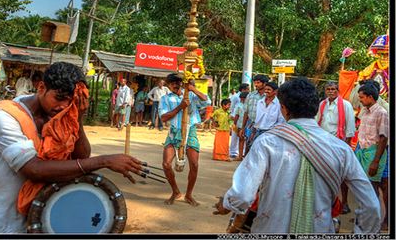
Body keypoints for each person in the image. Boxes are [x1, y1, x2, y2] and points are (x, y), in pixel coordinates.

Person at [0, 62, 144, 234]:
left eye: (70, 101)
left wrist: (77, 117)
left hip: (33, 220)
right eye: (59, 98)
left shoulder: (60, 118)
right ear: (41, 87)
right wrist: (104, 160)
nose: (64, 106)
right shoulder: (5, 118)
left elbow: (81, 156)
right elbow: (34, 169)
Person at [213, 77, 381, 234]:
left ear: (284, 109)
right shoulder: (340, 149)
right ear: (316, 108)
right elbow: (371, 206)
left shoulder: (267, 142)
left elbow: (242, 195)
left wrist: (226, 204)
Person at [159, 73, 211, 206]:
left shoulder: (191, 95)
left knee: (194, 164)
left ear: (182, 83)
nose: (175, 85)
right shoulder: (165, 98)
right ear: (169, 85)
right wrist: (180, 107)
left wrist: (193, 89)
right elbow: (164, 117)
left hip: (190, 131)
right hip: (174, 132)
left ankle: (189, 194)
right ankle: (175, 191)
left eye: (178, 82)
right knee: (166, 164)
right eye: (172, 83)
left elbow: (207, 101)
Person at [316, 80, 356, 214]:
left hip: (339, 143)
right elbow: (317, 123)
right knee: (324, 173)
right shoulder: (322, 104)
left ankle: (344, 202)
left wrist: (346, 145)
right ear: (325, 91)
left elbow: (350, 127)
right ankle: (329, 202)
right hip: (323, 144)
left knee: (343, 176)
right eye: (328, 89)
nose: (331, 91)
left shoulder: (346, 105)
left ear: (337, 91)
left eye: (333, 89)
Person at [355, 80, 388, 231]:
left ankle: (374, 223)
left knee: (372, 189)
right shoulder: (365, 111)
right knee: (366, 187)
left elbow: (383, 138)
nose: (360, 100)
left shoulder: (381, 112)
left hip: (373, 154)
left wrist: (375, 161)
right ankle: (368, 219)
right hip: (363, 151)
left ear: (369, 97)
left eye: (361, 97)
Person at [242, 74, 269, 154]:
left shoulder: (268, 96)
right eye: (255, 83)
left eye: (258, 83)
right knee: (248, 144)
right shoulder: (250, 95)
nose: (256, 85)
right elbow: (246, 112)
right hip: (251, 124)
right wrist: (243, 127)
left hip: (264, 125)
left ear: (264, 84)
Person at [229, 83, 250, 158]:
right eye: (247, 89)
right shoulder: (235, 98)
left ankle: (243, 153)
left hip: (246, 124)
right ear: (242, 89)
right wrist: (234, 122)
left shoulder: (248, 103)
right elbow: (232, 109)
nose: (249, 90)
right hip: (237, 121)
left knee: (245, 138)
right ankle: (233, 152)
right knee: (235, 137)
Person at [233, 91, 248, 160]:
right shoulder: (239, 105)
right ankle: (240, 155)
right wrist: (234, 124)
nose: (242, 100)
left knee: (248, 141)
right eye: (241, 98)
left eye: (243, 98)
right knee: (241, 139)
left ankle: (246, 155)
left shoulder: (250, 105)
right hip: (240, 125)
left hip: (248, 125)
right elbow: (236, 115)